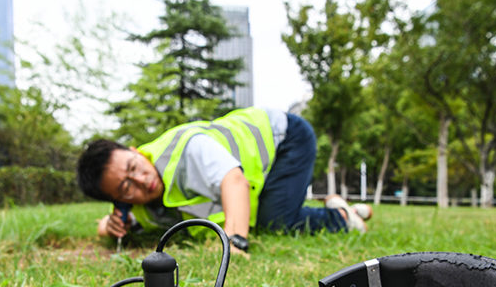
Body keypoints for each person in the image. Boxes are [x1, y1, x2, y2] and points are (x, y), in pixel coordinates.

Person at [76, 107, 372, 252]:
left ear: (135, 150)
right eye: (126, 187)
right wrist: (108, 226)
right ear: (119, 200)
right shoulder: (141, 209)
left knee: (275, 221)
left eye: (133, 166)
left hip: (285, 138)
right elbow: (125, 226)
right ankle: (349, 208)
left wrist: (235, 241)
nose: (141, 180)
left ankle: (343, 218)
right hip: (262, 164)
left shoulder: (185, 147)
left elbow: (234, 182)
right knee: (270, 216)